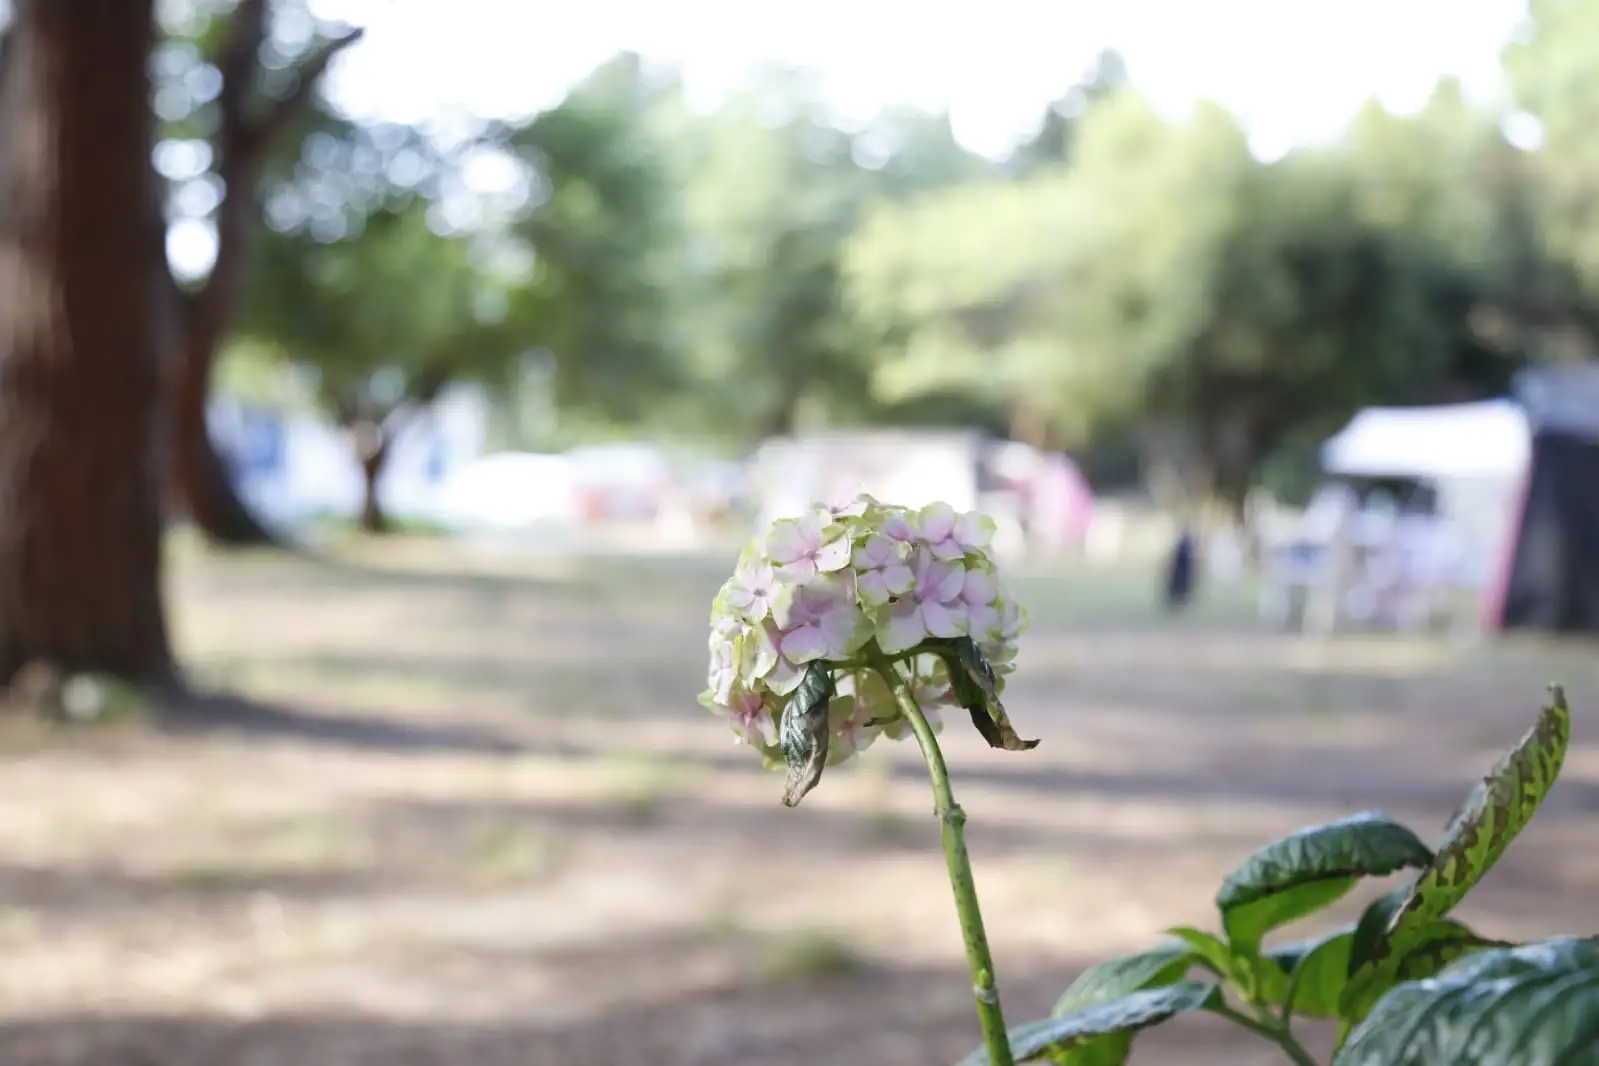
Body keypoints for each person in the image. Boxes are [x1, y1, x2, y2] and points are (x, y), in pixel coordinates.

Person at [1164, 523, 1198, 611]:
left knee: (1182, 584)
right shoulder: (1183, 542)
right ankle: (1177, 599)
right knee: (1179, 583)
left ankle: (1181, 599)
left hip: (1183, 567)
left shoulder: (1187, 542)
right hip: (1180, 567)